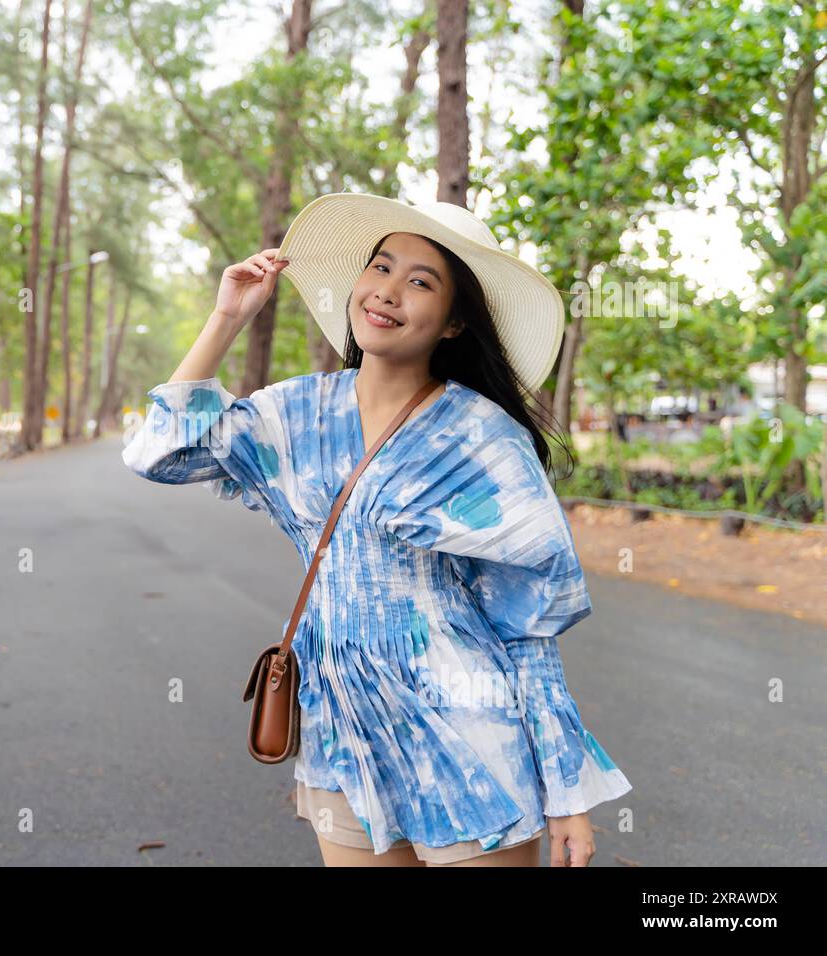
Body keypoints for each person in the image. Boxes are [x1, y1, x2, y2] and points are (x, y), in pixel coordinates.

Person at [121, 193, 632, 867]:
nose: (389, 291)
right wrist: (226, 319)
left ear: (453, 324)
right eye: (380, 268)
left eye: (421, 282)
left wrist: (567, 789)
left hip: (470, 736)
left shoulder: (481, 438)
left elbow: (526, 626)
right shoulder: (296, 414)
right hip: (342, 731)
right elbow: (156, 453)